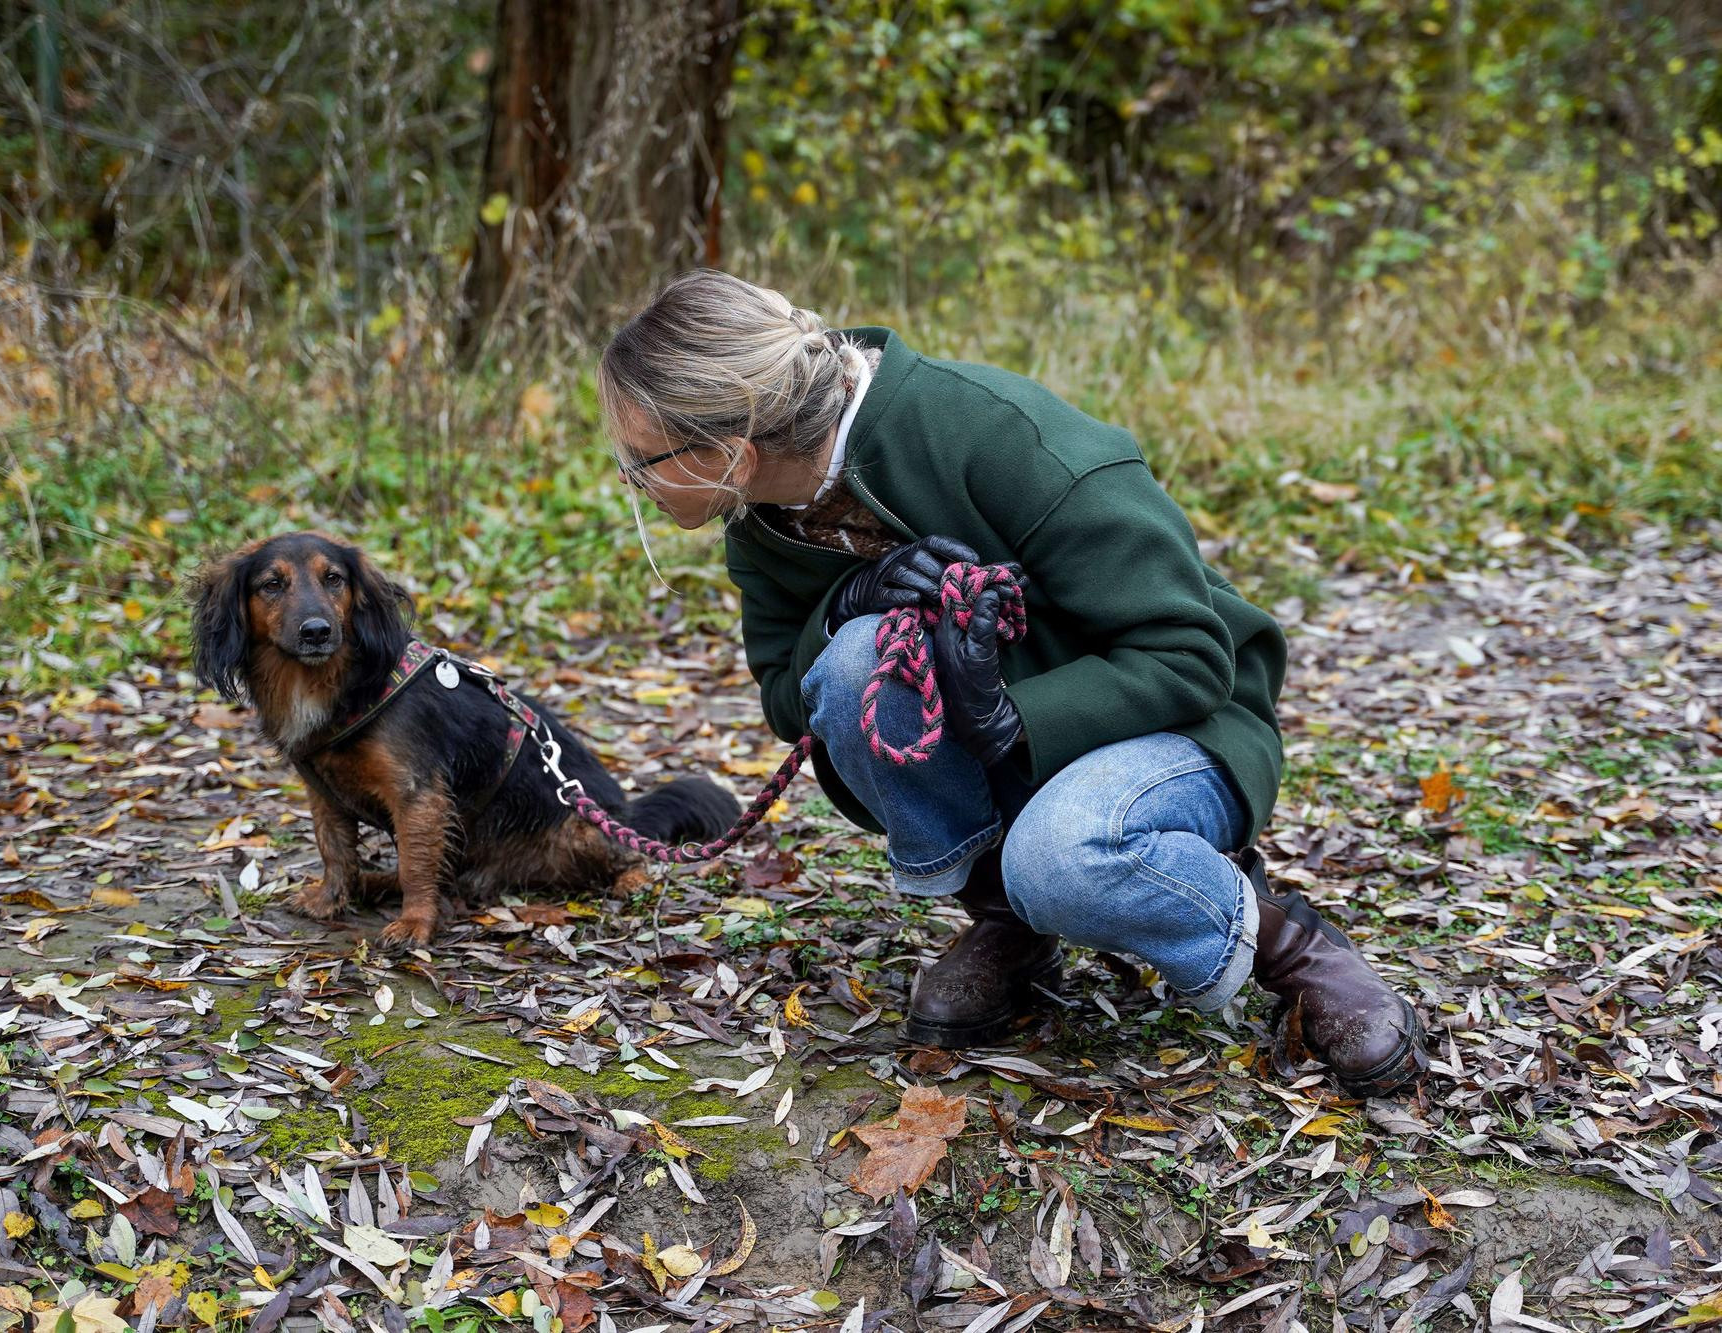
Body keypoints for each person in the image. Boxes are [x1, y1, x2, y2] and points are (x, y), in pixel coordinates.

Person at [595, 269, 1424, 1097]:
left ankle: (1294, 948)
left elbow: (1191, 654)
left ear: (731, 453)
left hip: (1182, 725)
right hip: (1024, 745)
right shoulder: (764, 521)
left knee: (1064, 859)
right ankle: (1004, 918)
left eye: (642, 462)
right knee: (851, 664)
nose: (631, 481)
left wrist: (1011, 717)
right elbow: (792, 699)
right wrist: (847, 602)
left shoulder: (995, 435)